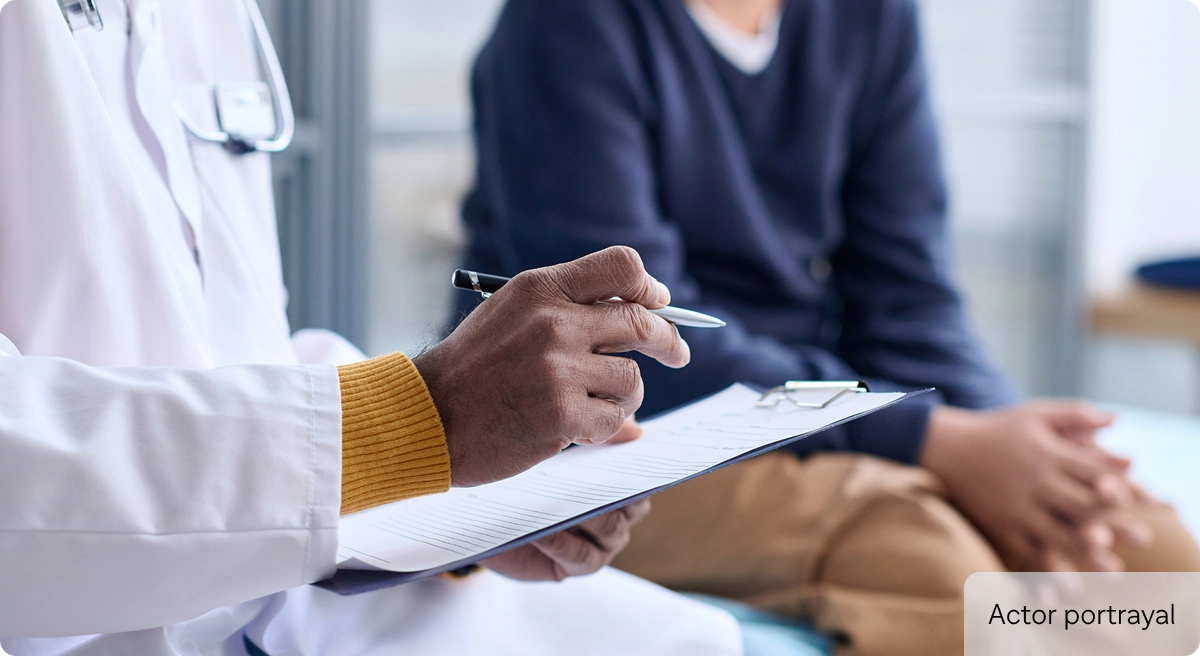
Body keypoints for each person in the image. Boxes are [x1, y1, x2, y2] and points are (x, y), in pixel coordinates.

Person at [456, 0, 1200, 653]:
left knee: (1159, 563)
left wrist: (1009, 444)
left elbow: (911, 302)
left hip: (820, 412)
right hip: (629, 438)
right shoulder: (566, 22)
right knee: (938, 570)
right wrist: (930, 439)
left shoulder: (871, 15)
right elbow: (635, 347)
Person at [0, 0, 742, 654]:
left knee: (695, 641)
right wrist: (424, 419)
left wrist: (476, 491)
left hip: (273, 598)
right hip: (77, 624)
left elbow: (228, 355)